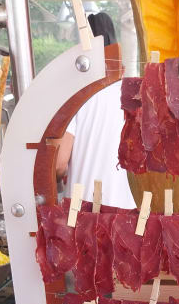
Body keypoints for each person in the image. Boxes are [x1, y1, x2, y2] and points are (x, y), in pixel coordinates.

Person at [55, 12, 135, 209]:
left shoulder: (75, 97)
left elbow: (59, 163)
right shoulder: (131, 95)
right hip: (128, 212)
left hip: (83, 213)